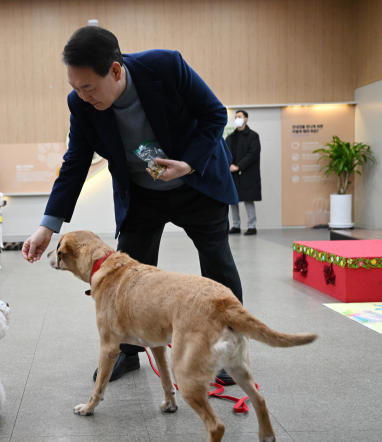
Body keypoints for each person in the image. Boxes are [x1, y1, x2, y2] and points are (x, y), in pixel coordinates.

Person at [22, 26, 241, 384]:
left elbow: (215, 115)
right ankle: (126, 353)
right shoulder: (80, 104)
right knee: (126, 278)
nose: (82, 96)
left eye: (89, 87)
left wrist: (188, 163)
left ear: (116, 70)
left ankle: (227, 351)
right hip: (142, 195)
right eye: (75, 88)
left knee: (218, 265)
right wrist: (48, 225)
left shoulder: (165, 66)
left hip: (196, 184)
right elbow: (76, 160)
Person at [226, 110, 261, 236]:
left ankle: (252, 226)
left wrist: (239, 166)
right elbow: (225, 153)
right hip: (233, 173)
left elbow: (253, 154)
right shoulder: (230, 137)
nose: (237, 119)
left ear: (246, 119)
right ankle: (236, 225)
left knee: (248, 199)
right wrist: (229, 166)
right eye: (235, 117)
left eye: (239, 116)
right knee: (233, 200)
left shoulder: (253, 136)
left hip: (247, 173)